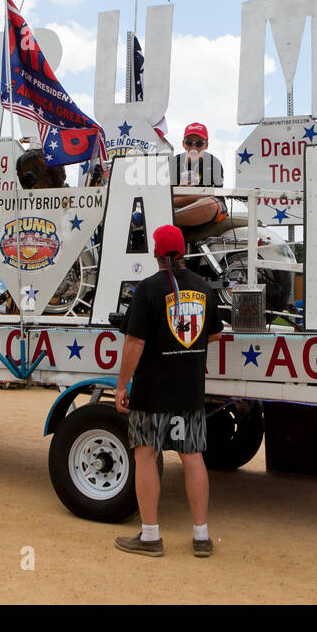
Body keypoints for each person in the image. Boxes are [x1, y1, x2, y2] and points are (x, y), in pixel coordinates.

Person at [114, 224, 224, 558]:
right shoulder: (204, 288)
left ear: (156, 254)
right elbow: (216, 334)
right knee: (192, 456)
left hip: (152, 389)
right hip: (189, 387)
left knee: (146, 454)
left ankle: (150, 537)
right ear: (184, 252)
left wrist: (121, 384)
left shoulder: (147, 289)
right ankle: (201, 536)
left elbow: (135, 341)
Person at [170, 122, 225, 229]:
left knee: (209, 205)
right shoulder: (172, 163)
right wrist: (182, 191)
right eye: (189, 142)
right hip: (181, 207)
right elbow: (162, 197)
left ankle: (157, 219)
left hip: (207, 206)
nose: (193, 147)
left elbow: (210, 196)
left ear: (206, 145)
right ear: (183, 144)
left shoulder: (214, 163)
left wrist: (179, 193)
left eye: (199, 143)